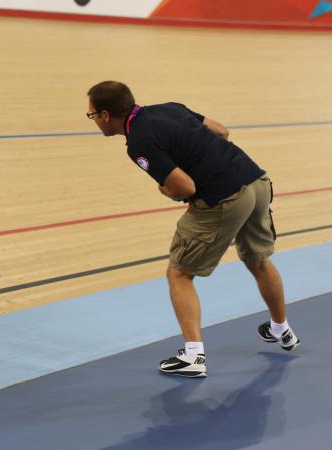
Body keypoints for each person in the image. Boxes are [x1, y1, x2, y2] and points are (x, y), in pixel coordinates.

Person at [86, 80, 300, 378]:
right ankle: (281, 329)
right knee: (258, 259)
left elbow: (184, 187)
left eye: (92, 114)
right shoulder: (169, 108)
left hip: (225, 198)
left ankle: (193, 357)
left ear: (106, 115)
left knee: (179, 273)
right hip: (255, 180)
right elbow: (222, 131)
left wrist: (166, 190)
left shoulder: (139, 143)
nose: (94, 120)